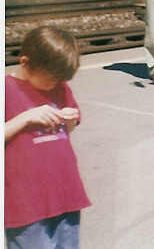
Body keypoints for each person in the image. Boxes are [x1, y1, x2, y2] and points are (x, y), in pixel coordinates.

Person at [6, 26, 91, 248]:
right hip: (25, 204)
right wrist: (25, 118)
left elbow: (65, 133)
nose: (55, 85)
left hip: (66, 193)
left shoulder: (60, 88)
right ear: (25, 63)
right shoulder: (6, 89)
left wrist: (69, 121)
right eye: (51, 79)